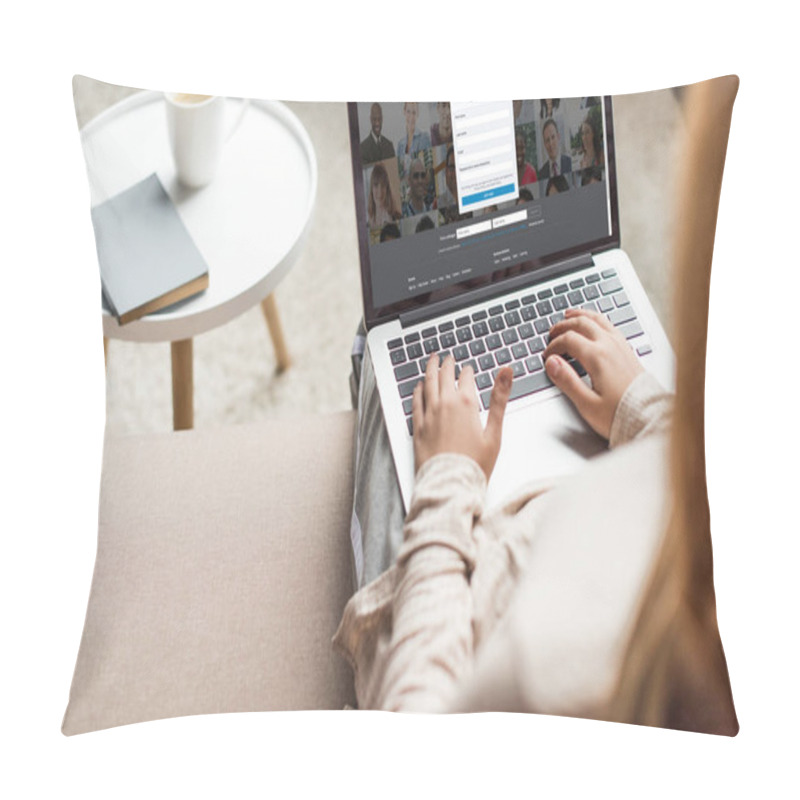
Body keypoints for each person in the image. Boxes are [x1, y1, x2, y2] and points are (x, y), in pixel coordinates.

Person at [367, 162, 401, 229]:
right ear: (371, 189)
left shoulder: (398, 217)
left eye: (383, 186)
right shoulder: (367, 226)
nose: (380, 192)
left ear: (387, 189)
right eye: (376, 185)